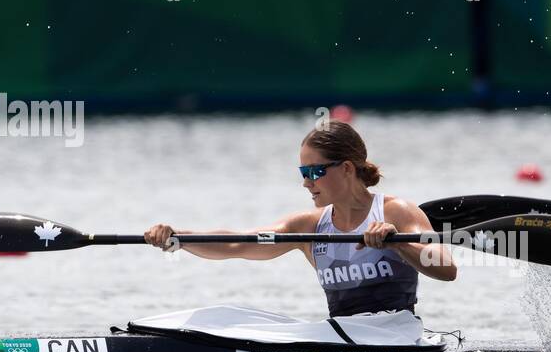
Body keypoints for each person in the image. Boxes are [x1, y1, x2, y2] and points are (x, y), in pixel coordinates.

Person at [144, 120, 455, 319]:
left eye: (315, 172)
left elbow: (446, 268)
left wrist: (398, 244)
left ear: (347, 169)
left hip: (398, 339)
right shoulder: (309, 227)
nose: (307, 182)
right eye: (303, 173)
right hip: (343, 343)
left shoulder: (395, 212)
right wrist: (178, 237)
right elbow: (235, 244)